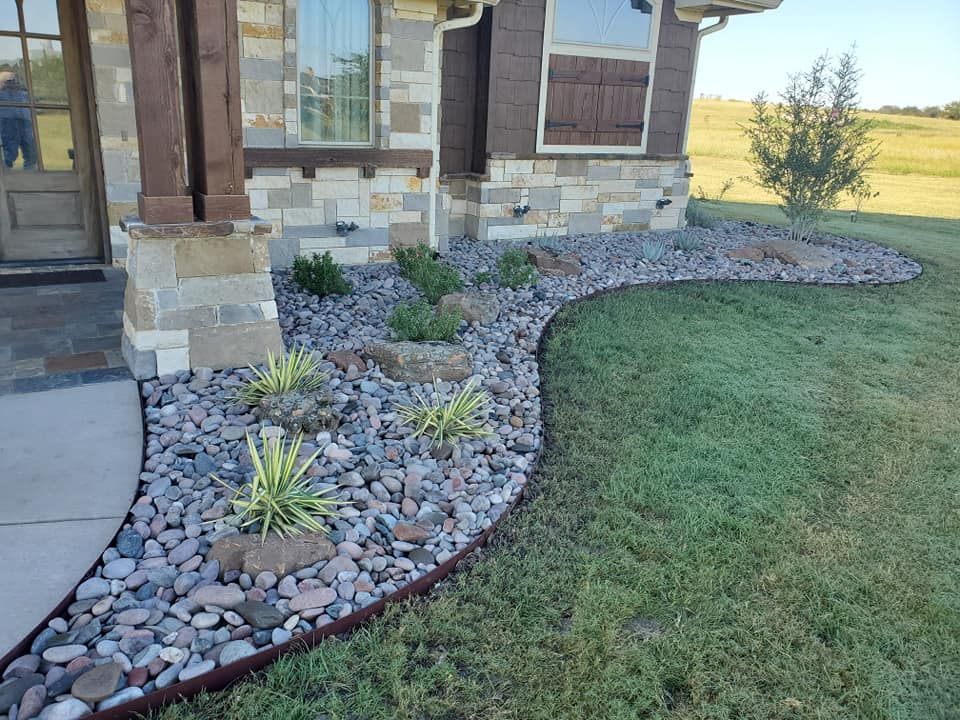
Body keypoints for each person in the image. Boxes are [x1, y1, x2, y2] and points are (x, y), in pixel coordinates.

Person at [0, 70, 37, 170]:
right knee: (10, 151)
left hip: (24, 121)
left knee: (29, 149)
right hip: (9, 121)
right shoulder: (5, 93)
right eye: (9, 81)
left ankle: (30, 172)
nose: (13, 83)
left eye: (13, 80)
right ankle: (5, 172)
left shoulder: (23, 92)